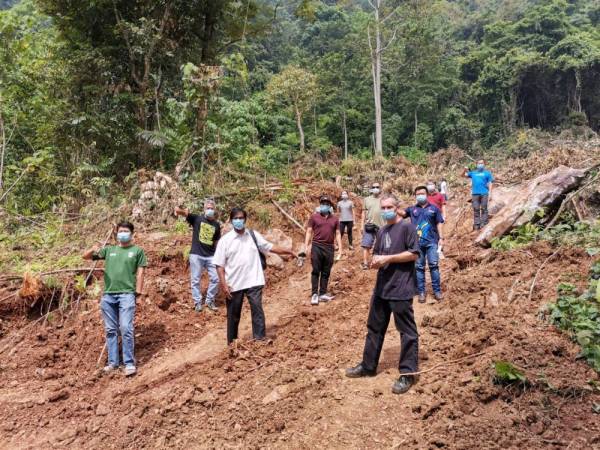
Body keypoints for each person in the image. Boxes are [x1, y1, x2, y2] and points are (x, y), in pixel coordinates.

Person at [345, 193, 420, 394]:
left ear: (397, 208)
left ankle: (408, 373)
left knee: (407, 332)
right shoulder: (383, 230)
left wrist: (389, 259)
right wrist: (374, 262)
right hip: (382, 288)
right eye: (383, 207)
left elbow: (413, 254)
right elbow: (379, 255)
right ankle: (368, 366)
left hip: (401, 288)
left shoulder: (407, 227)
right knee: (374, 328)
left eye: (389, 207)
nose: (386, 210)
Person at [213, 207, 296, 344]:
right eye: (236, 218)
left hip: (253, 280)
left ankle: (259, 338)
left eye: (241, 218)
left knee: (257, 309)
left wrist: (289, 251)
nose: (239, 221)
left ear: (245, 220)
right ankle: (232, 343)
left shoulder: (252, 235)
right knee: (233, 315)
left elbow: (270, 247)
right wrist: (223, 284)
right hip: (234, 283)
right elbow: (219, 265)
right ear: (231, 221)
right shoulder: (225, 241)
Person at [83, 221, 147, 376]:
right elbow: (85, 256)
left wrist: (138, 293)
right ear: (116, 233)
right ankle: (113, 363)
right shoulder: (109, 250)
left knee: (126, 327)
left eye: (126, 231)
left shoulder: (137, 251)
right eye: (120, 231)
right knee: (111, 330)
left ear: (132, 234)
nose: (122, 233)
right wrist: (94, 248)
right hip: (108, 295)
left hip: (127, 294)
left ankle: (129, 363)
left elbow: (140, 273)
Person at [175, 200, 221, 312]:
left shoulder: (216, 225)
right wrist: (179, 210)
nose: (209, 210)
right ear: (204, 209)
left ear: (214, 210)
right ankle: (197, 303)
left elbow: (216, 241)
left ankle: (209, 300)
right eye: (207, 208)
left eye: (211, 208)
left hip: (210, 256)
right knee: (195, 280)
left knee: (216, 278)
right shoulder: (197, 219)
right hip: (196, 255)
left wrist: (218, 255)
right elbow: (184, 213)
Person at [403, 186, 445, 303]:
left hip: (432, 242)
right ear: (415, 196)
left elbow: (439, 223)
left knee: (434, 266)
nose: (420, 195)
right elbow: (401, 214)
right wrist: (392, 206)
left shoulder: (434, 209)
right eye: (417, 194)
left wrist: (441, 238)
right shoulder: (412, 209)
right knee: (419, 268)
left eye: (422, 193)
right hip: (417, 244)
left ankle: (437, 291)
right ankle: (421, 292)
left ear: (427, 195)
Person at [305, 195, 342, 306]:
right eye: (322, 203)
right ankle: (314, 294)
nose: (324, 205)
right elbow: (309, 231)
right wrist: (306, 246)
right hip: (317, 246)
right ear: (320, 204)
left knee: (326, 272)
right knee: (316, 270)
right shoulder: (314, 217)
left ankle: (322, 293)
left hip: (329, 248)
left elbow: (338, 233)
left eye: (327, 204)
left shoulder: (335, 219)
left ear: (330, 206)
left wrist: (340, 248)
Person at [463, 159, 494, 230]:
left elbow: (490, 183)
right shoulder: (473, 173)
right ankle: (477, 224)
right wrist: (464, 170)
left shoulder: (487, 173)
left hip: (484, 193)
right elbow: (462, 175)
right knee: (476, 209)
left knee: (484, 208)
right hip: (475, 194)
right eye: (479, 163)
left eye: (482, 163)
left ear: (484, 164)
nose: (480, 164)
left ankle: (484, 223)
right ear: (476, 164)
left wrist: (490, 193)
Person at [360, 182, 384, 270]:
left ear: (380, 188)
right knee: (366, 244)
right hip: (369, 225)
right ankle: (365, 263)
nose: (375, 188)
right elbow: (363, 213)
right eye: (373, 187)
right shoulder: (366, 199)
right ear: (371, 189)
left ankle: (380, 262)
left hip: (382, 225)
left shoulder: (383, 199)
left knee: (382, 245)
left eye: (377, 187)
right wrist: (361, 225)